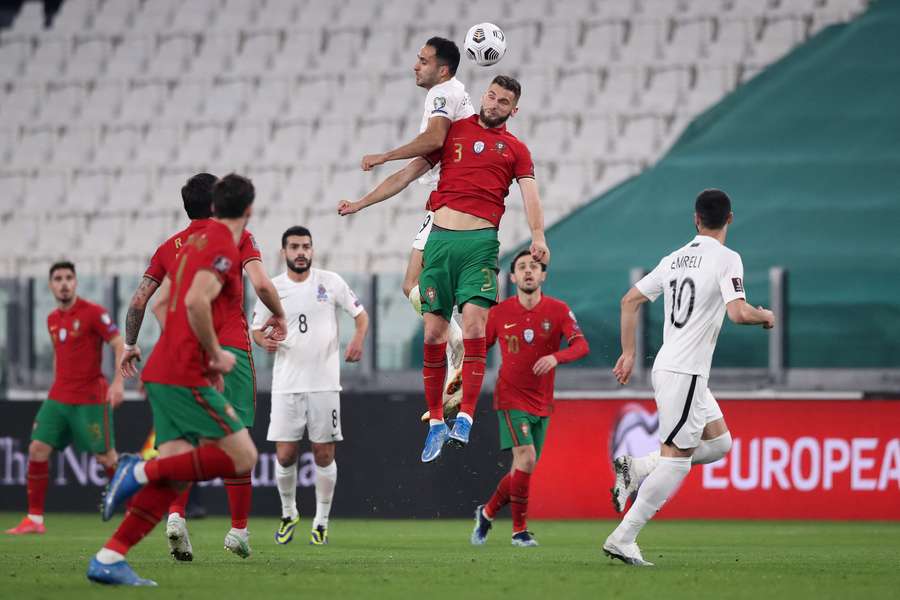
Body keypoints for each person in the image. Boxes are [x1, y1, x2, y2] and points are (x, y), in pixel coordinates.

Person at [338, 75, 549, 463]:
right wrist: (361, 203)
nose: (495, 104)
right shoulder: (451, 133)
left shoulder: (516, 149)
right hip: (440, 242)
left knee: (473, 327)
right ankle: (436, 422)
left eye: (504, 102)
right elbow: (407, 175)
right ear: (483, 95)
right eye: (492, 96)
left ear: (513, 111)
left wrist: (538, 235)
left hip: (480, 246)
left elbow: (530, 194)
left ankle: (466, 417)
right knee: (434, 332)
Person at [87, 174, 276, 586]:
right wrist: (213, 353)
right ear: (242, 208)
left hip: (165, 365)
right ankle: (136, 473)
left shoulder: (181, 247)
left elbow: (150, 303)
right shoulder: (226, 243)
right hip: (191, 369)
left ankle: (109, 556)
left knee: (177, 466)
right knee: (242, 455)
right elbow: (203, 298)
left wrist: (131, 346)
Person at [604, 189, 775, 566]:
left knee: (720, 445)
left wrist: (629, 353)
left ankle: (640, 467)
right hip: (684, 372)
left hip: (677, 369)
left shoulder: (674, 259)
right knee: (678, 462)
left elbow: (629, 300)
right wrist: (765, 316)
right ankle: (623, 537)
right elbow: (737, 313)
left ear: (695, 219)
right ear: (730, 219)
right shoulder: (728, 259)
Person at [360, 37, 474, 418]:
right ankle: (456, 352)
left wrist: (383, 154)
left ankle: (459, 348)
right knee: (412, 285)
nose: (415, 65)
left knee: (425, 292)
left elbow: (434, 137)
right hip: (445, 200)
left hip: (453, 207)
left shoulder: (442, 94)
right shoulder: (452, 105)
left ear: (442, 69)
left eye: (423, 61)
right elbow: (411, 173)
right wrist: (361, 203)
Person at [251, 226, 369, 546]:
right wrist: (265, 342)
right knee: (286, 455)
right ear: (284, 252)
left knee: (323, 453)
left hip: (324, 384)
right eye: (294, 247)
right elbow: (256, 331)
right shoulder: (272, 288)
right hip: (286, 384)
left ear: (312, 250)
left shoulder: (330, 282)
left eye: (305, 246)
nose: (301, 252)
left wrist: (357, 339)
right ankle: (289, 513)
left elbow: (361, 315)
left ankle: (321, 520)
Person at [470, 250, 589, 547]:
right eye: (521, 267)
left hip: (542, 401)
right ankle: (519, 531)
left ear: (543, 275)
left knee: (522, 468)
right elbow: (479, 350)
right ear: (512, 277)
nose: (527, 272)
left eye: (533, 267)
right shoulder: (499, 313)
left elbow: (581, 345)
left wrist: (555, 357)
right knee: (527, 457)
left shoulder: (559, 310)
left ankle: (486, 513)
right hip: (510, 397)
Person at [5, 261, 124, 535]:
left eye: (68, 277)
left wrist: (118, 383)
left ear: (76, 282)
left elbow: (118, 343)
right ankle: (34, 519)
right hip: (59, 397)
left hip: (90, 398)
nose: (64, 283)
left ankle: (135, 508)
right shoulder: (51, 319)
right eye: (58, 278)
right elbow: (61, 357)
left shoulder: (94, 313)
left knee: (107, 459)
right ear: (50, 285)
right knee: (37, 449)